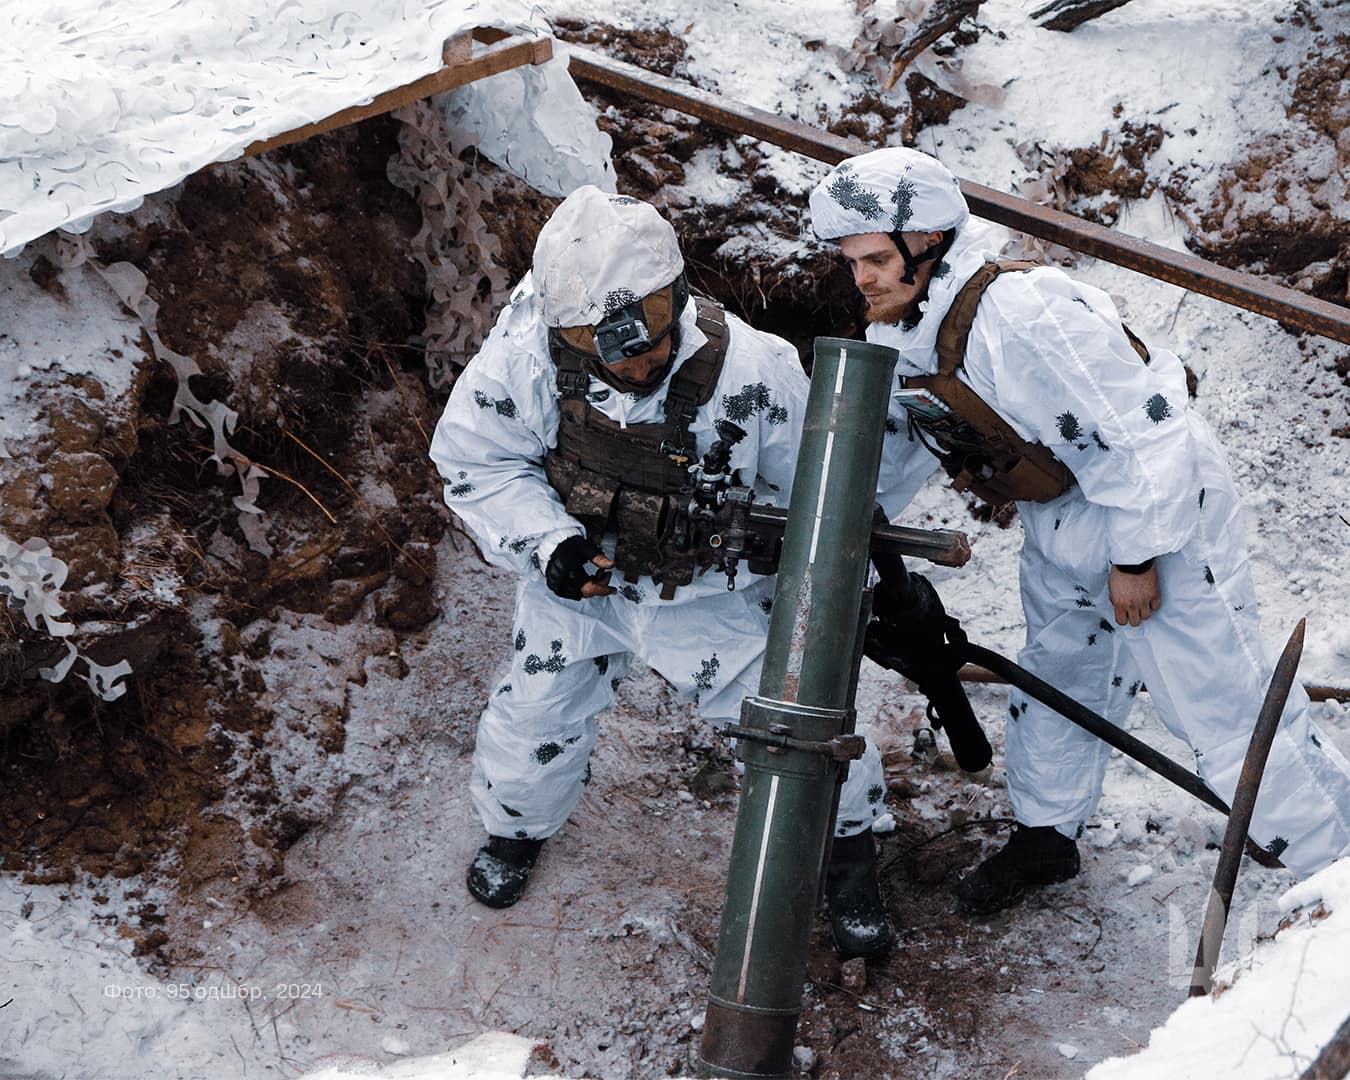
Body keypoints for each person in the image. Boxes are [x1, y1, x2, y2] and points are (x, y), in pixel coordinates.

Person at [807, 146, 1350, 915]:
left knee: (1222, 707)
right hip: (1059, 519)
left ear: (926, 241)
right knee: (1061, 674)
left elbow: (1144, 432)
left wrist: (1136, 557)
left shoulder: (1027, 311)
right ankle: (1045, 835)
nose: (859, 278)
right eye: (848, 261)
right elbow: (897, 454)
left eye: (871, 258)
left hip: (1158, 519)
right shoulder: (901, 337)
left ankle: (1334, 875)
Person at [430, 185, 894, 958]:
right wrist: (549, 546)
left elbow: (820, 500)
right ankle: (515, 831)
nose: (632, 362)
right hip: (585, 585)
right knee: (531, 718)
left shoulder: (755, 372)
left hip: (708, 596)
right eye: (599, 346)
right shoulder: (526, 355)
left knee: (802, 727)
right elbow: (478, 464)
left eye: (643, 339)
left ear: (674, 296)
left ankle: (849, 857)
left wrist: (811, 597)